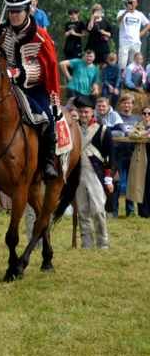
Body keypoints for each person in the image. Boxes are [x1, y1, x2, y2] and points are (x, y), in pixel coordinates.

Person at [0, 0, 63, 180]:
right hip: (3, 86)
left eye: (18, 12)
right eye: (11, 12)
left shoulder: (40, 35)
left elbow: (48, 68)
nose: (14, 16)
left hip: (33, 89)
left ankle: (48, 161)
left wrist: (19, 73)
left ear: (27, 11)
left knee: (47, 118)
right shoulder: (1, 32)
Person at [74, 97, 113, 249]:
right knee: (82, 211)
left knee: (97, 210)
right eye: (81, 111)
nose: (83, 114)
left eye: (86, 112)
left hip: (95, 174)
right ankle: (87, 243)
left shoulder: (103, 130)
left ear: (92, 112)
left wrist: (108, 178)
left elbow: (109, 155)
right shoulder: (74, 129)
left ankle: (103, 242)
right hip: (78, 175)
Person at [116, 0, 150, 70]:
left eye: (133, 2)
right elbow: (118, 21)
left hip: (136, 42)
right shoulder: (122, 12)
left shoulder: (139, 14)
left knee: (134, 64)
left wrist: (140, 34)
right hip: (124, 41)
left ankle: (131, 80)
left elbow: (148, 24)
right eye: (130, 2)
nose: (131, 4)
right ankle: (121, 80)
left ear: (136, 4)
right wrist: (126, 12)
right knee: (122, 63)